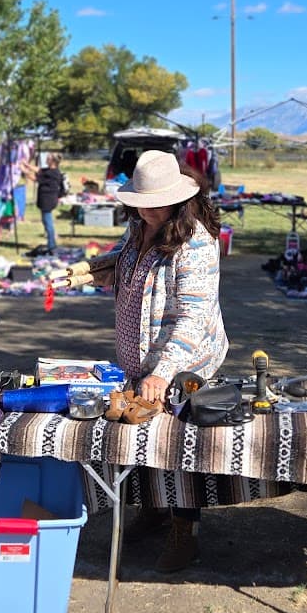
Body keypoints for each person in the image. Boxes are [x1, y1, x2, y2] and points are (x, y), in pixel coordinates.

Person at [70, 151, 228, 572]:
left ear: (176, 198)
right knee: (143, 441)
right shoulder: (141, 225)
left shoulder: (195, 241)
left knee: (180, 447)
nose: (144, 209)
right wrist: (85, 272)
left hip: (183, 362)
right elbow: (125, 269)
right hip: (140, 359)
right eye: (140, 202)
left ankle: (184, 528)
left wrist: (163, 371)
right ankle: (155, 509)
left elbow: (193, 314)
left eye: (153, 202)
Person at [31, 153, 66, 254]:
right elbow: (39, 170)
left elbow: (36, 178)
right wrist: (25, 165)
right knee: (46, 221)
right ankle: (51, 243)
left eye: (48, 158)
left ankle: (52, 245)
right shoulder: (50, 171)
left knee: (48, 222)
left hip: (48, 200)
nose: (46, 159)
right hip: (47, 200)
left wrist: (23, 170)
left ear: (53, 161)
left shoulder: (52, 173)